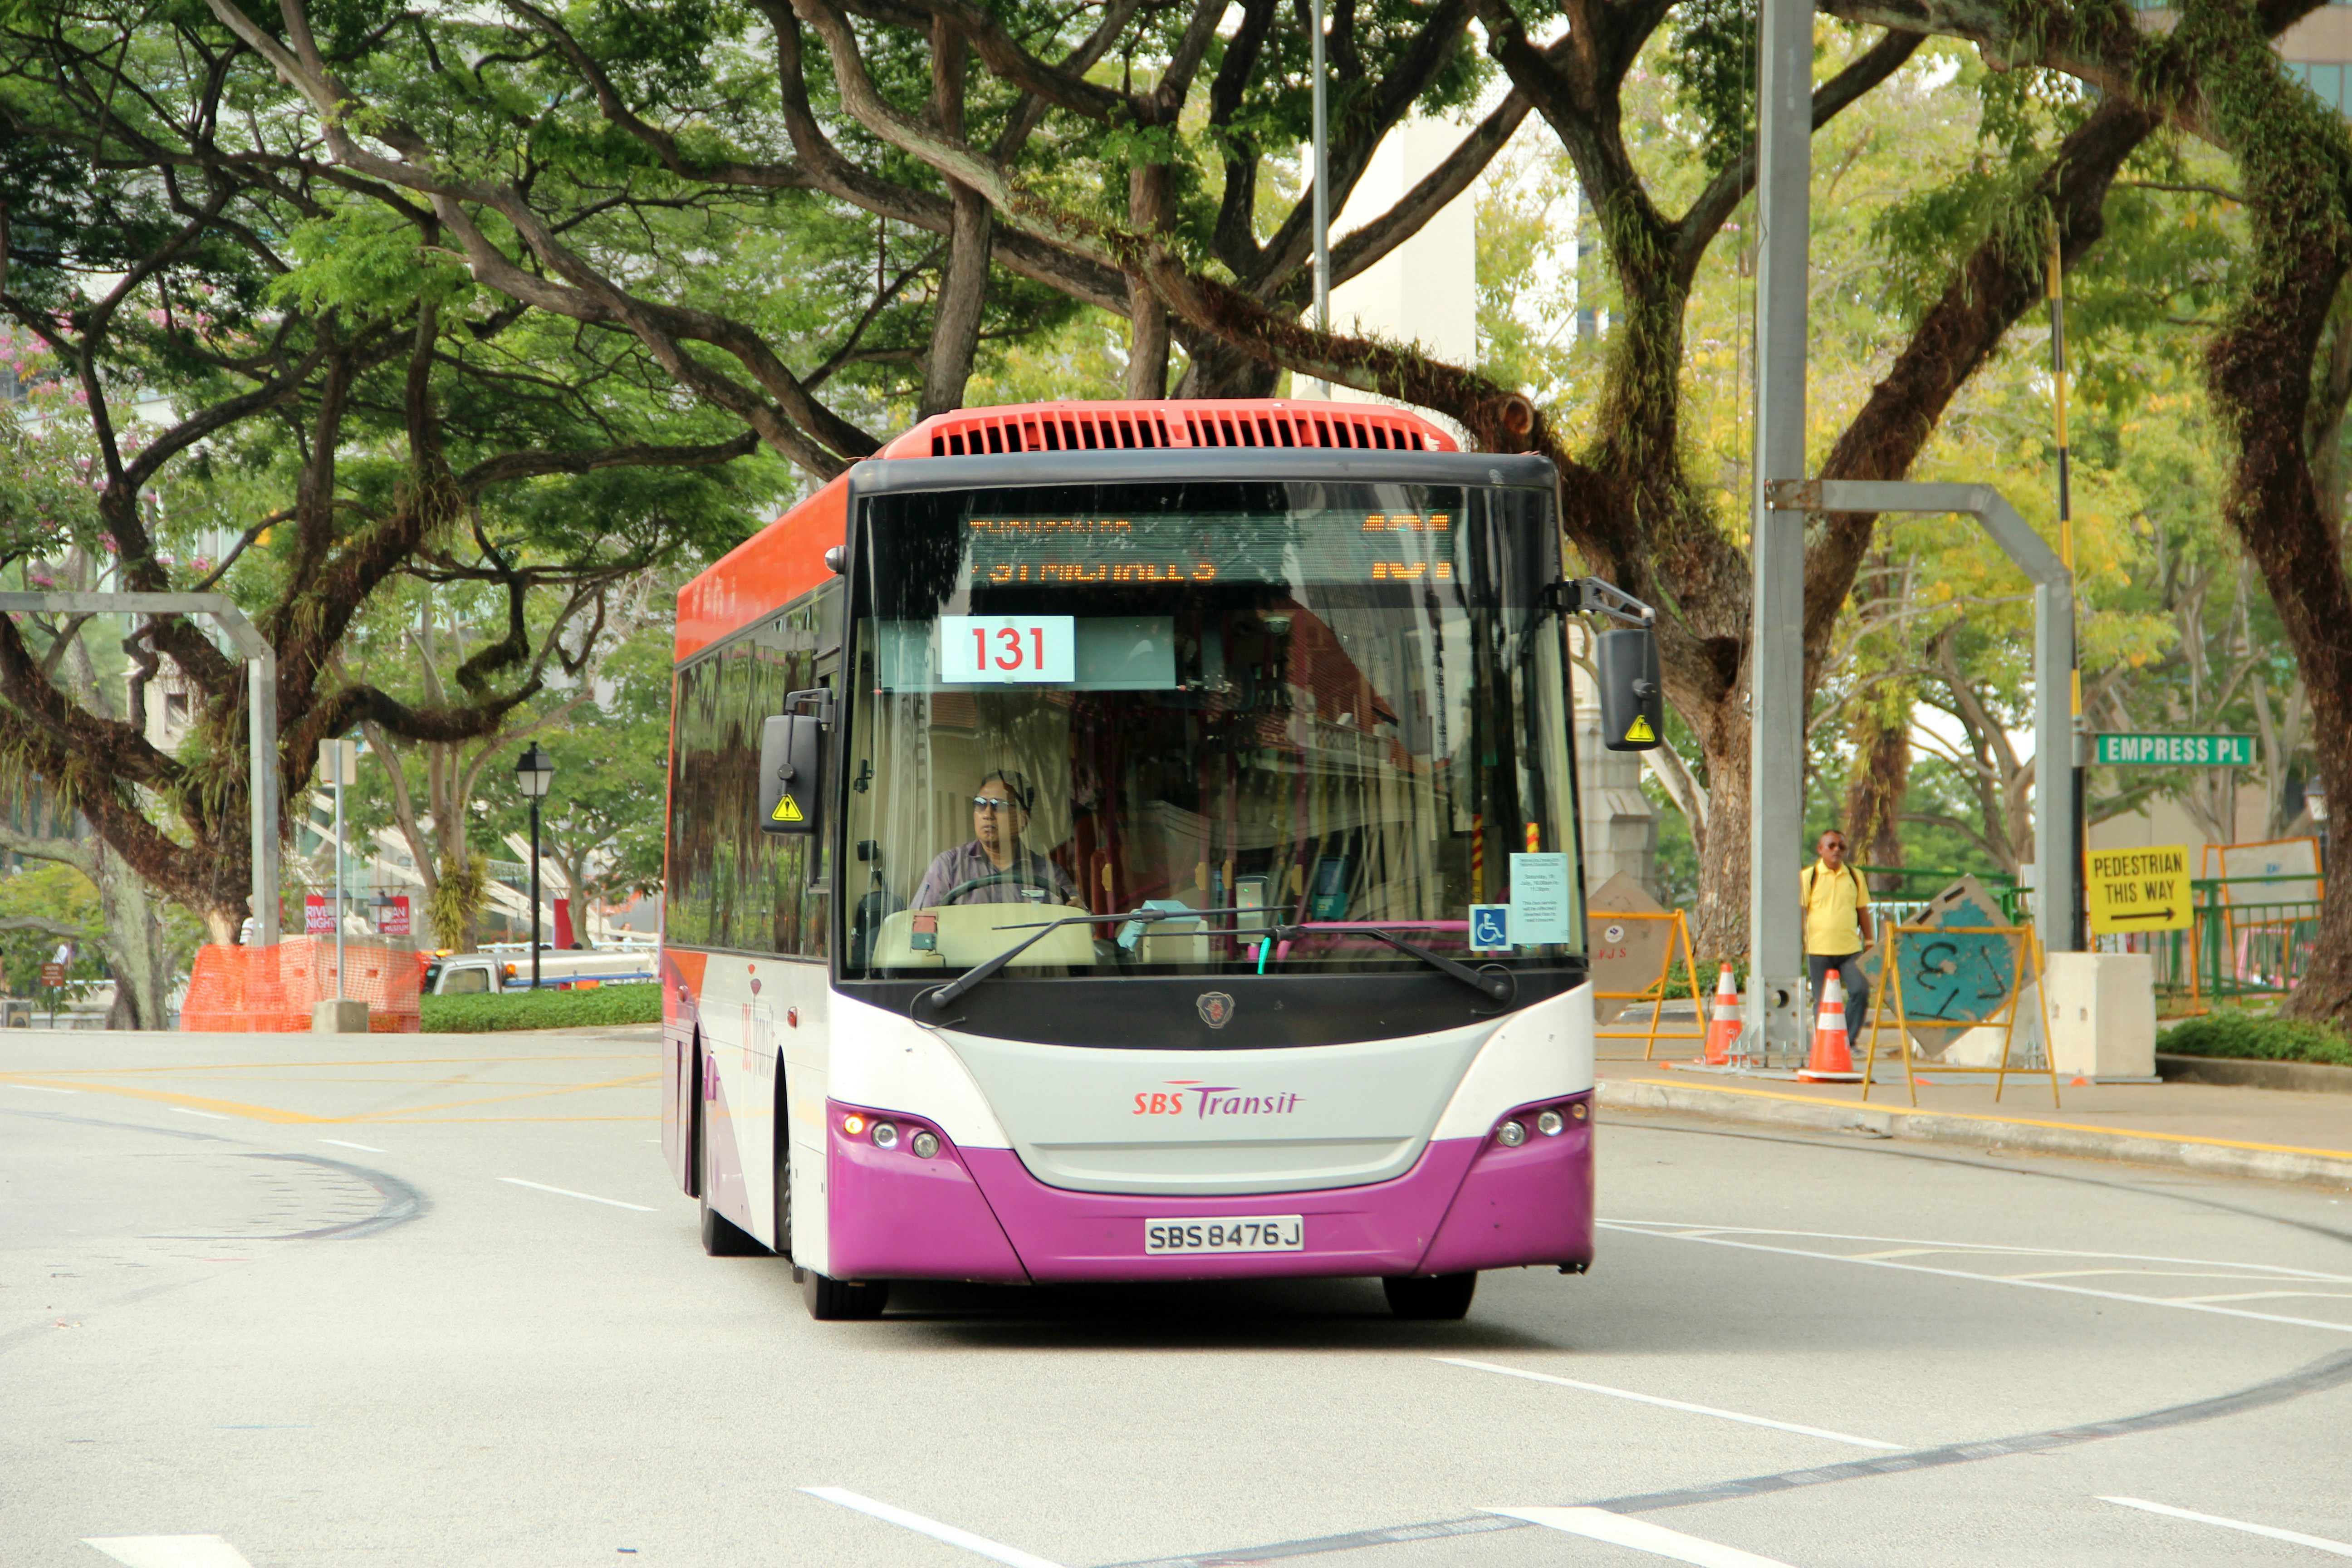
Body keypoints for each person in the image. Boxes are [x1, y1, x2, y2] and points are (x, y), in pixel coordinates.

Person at [911, 769, 1082, 908]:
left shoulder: (1049, 874)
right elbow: (917, 927)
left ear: (1023, 819)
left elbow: (1078, 929)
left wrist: (1077, 910)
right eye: (980, 803)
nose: (987, 814)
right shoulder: (948, 867)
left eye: (998, 806)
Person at [1801, 828, 1872, 1036]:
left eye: (1841, 846)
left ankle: (1848, 1041)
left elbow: (1863, 910)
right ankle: (1825, 1042)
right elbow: (1801, 911)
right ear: (1820, 849)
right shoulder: (1809, 877)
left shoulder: (1855, 876)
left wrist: (1869, 941)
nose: (1837, 850)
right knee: (1822, 999)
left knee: (1860, 991)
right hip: (1818, 949)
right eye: (1831, 846)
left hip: (1850, 949)